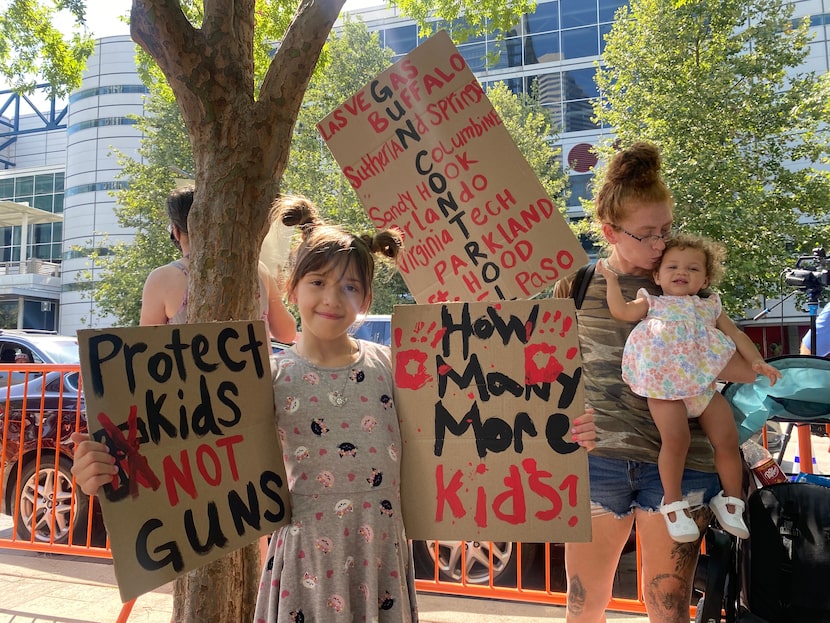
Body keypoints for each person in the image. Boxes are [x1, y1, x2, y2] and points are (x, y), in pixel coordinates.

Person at [552, 142, 761, 623]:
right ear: (610, 231)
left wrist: (697, 359)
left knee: (669, 610)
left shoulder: (688, 286)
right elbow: (541, 372)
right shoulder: (576, 286)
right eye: (647, 234)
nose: (661, 245)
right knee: (584, 608)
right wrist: (561, 422)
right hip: (598, 460)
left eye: (665, 230)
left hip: (684, 464)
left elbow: (741, 367)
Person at [597, 234, 781, 542]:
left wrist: (757, 361)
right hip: (664, 388)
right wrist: (611, 282)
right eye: (672, 267)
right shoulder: (652, 302)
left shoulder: (710, 306)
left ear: (706, 278)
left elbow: (736, 335)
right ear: (657, 275)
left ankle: (731, 501)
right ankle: (672, 502)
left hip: (703, 388)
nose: (682, 272)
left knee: (726, 440)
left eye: (693, 269)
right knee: (676, 441)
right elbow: (622, 312)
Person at [139, 185, 297, 343]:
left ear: (176, 231)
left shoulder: (162, 279)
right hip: (256, 368)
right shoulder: (257, 269)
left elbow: (146, 345)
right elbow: (287, 333)